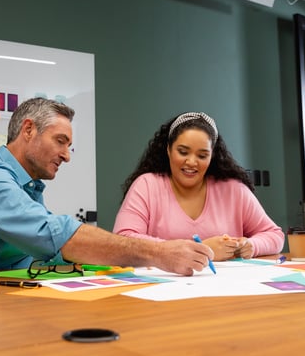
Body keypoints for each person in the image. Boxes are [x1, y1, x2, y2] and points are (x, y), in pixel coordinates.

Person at [0, 98, 213, 276]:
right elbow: (54, 234)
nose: (67, 155)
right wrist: (156, 252)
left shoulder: (29, 189)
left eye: (69, 145)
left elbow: (47, 254)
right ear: (28, 130)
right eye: (60, 141)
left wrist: (112, 264)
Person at [114, 112, 284, 261]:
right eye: (183, 152)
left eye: (202, 155)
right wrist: (201, 249)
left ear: (212, 156)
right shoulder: (146, 185)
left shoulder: (234, 190)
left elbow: (275, 235)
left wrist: (251, 246)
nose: (192, 162)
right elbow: (123, 240)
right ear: (168, 150)